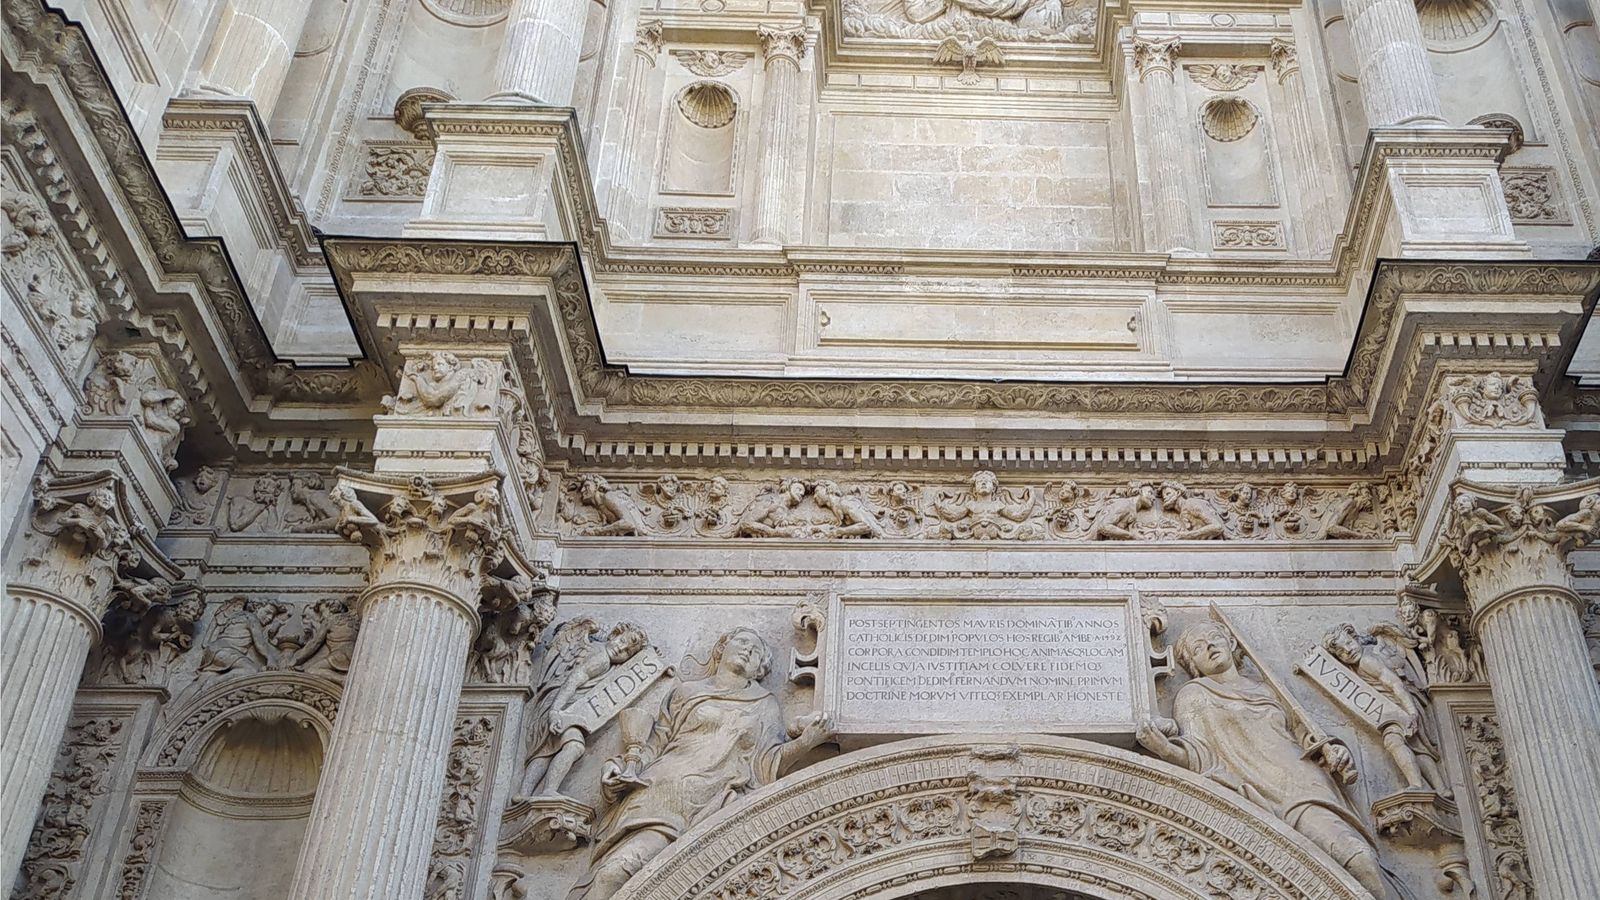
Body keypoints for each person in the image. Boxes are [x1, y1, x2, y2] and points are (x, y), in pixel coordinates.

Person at [566, 628, 829, 900]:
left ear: (760, 669)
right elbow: (656, 743)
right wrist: (622, 767)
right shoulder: (688, 691)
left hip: (716, 803)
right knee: (614, 873)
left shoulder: (765, 705)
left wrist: (805, 743)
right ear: (721, 648)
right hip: (662, 797)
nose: (748, 650)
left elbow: (768, 762)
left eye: (756, 652)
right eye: (742, 642)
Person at [1137, 622, 1385, 897]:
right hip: (1257, 789)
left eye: (1215, 637)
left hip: (1304, 784)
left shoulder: (1268, 689)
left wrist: (1335, 752)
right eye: (1197, 648)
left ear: (1232, 643)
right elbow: (1199, 755)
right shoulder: (1194, 694)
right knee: (1352, 857)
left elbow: (1307, 735)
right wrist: (1165, 749)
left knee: (1360, 857)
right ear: (1192, 665)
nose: (1209, 646)